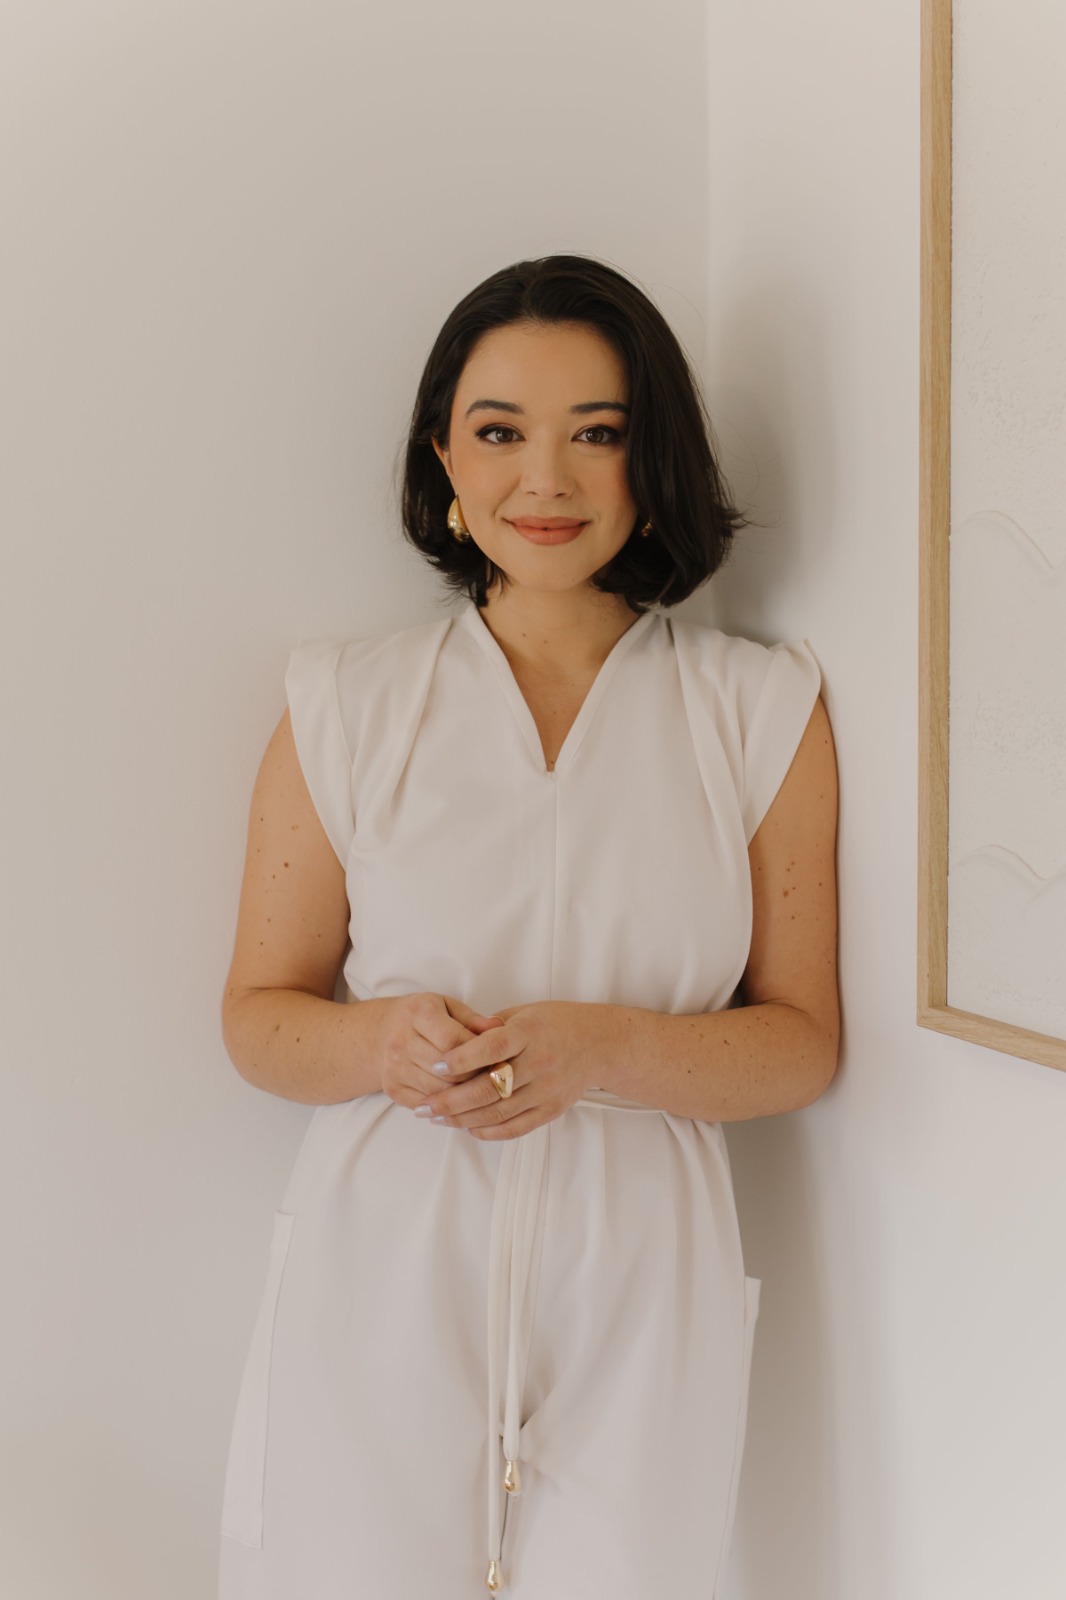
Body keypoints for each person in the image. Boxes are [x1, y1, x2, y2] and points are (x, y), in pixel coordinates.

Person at [217, 254, 839, 1600]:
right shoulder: (346, 705)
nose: (544, 479)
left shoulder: (758, 711)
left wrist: (608, 1050)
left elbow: (801, 1045)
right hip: (382, 1271)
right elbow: (258, 1019)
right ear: (444, 454)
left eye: (596, 433)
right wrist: (378, 1044)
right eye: (499, 432)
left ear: (651, 459)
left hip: (643, 1283)